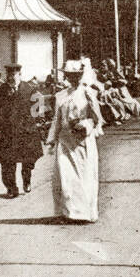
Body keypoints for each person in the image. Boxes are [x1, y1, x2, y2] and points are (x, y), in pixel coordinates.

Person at [45, 59, 104, 222]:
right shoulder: (61, 95)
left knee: (83, 176)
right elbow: (57, 119)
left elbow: (97, 119)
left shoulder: (88, 93)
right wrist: (51, 139)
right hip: (65, 141)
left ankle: (83, 213)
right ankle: (68, 212)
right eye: (70, 76)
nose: (73, 79)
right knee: (65, 177)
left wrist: (84, 125)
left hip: (82, 142)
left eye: (76, 75)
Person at [0, 63, 43, 198]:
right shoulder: (1, 90)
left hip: (25, 132)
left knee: (28, 159)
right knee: (7, 161)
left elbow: (38, 109)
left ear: (20, 75)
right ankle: (11, 188)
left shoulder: (29, 89)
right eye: (8, 75)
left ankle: (26, 180)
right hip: (8, 132)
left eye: (13, 75)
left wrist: (32, 123)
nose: (10, 77)